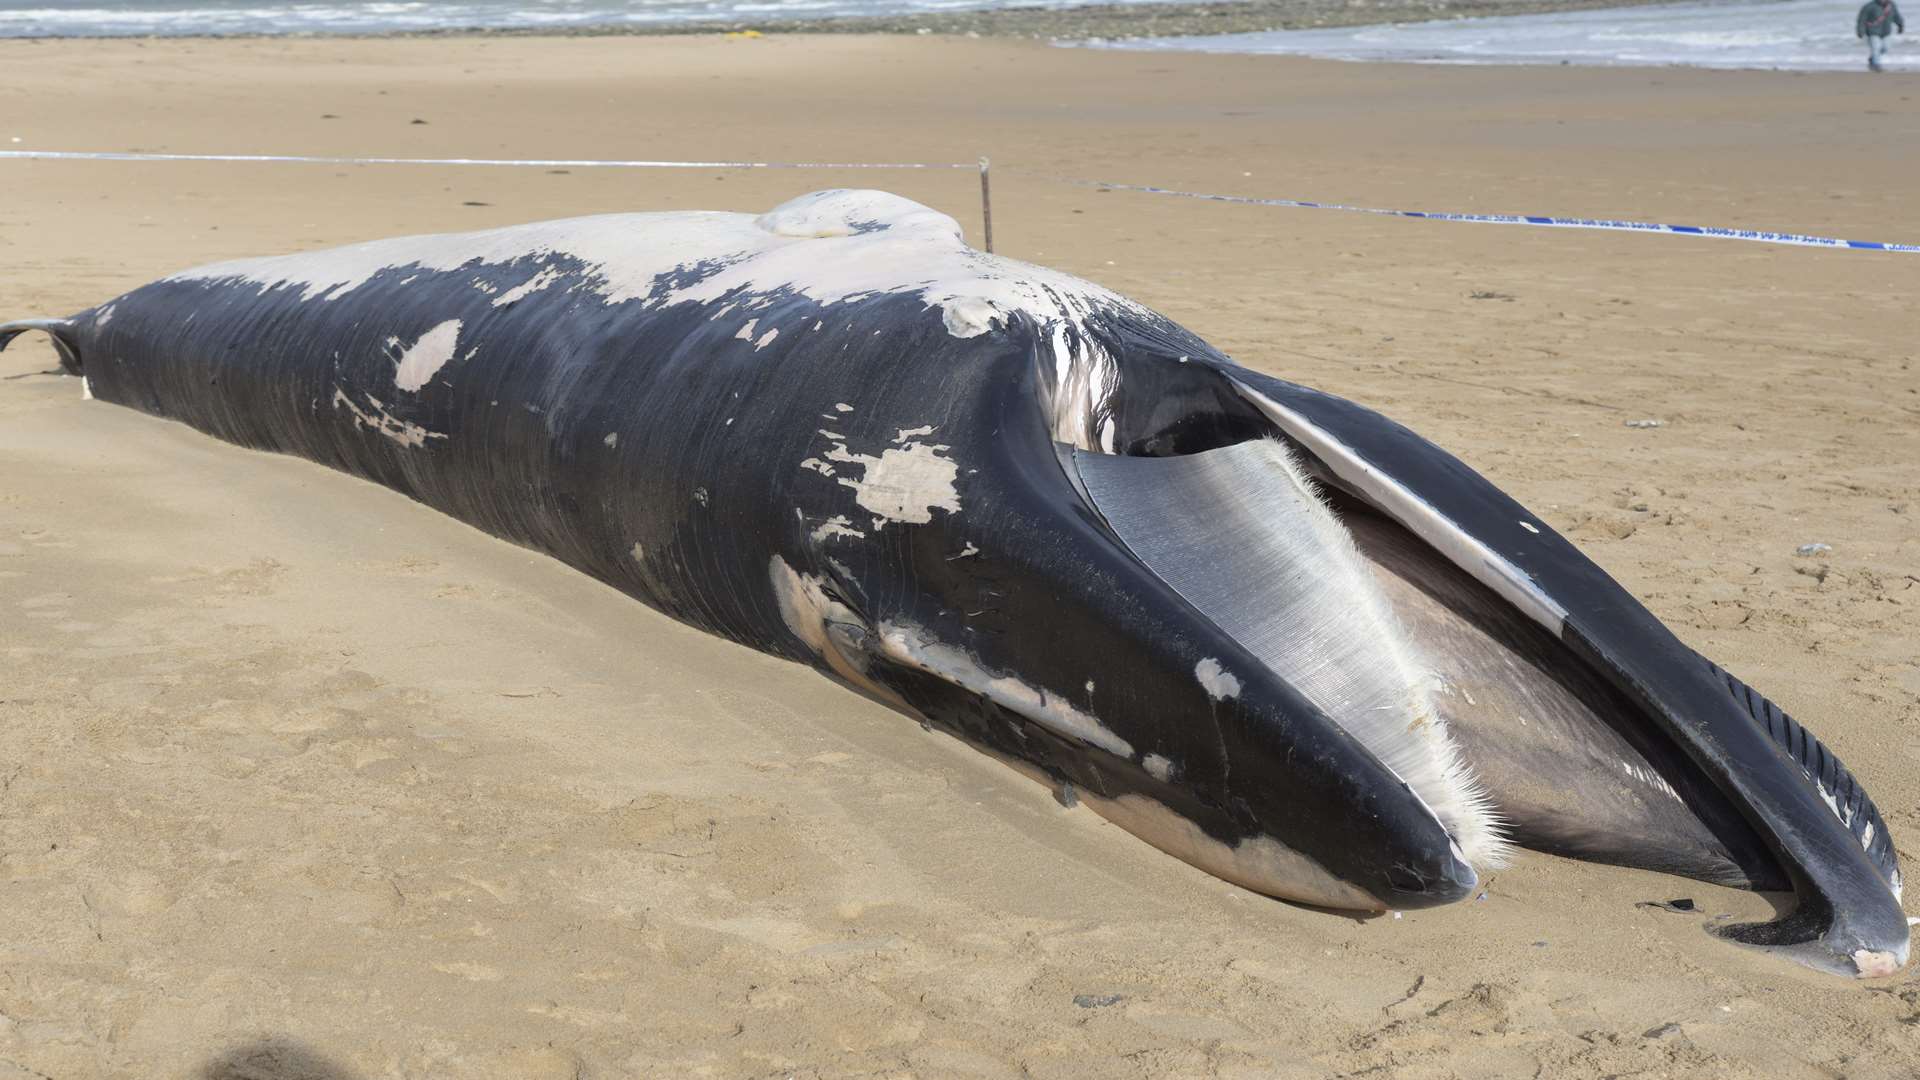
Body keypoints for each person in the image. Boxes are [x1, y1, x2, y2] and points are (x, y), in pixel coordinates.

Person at [1858, 0, 1905, 72]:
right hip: (1872, 32)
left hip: (1886, 32)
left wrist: (1900, 25)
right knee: (1876, 47)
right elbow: (1862, 19)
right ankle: (1876, 65)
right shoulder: (1869, 6)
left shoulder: (1891, 5)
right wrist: (1860, 31)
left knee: (1886, 48)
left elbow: (1896, 16)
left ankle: (1872, 58)